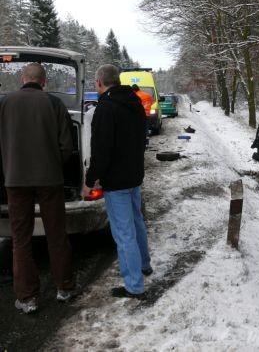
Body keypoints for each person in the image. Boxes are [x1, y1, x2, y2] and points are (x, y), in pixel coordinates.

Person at [0, 63, 75, 314]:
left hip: (15, 180)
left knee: (20, 240)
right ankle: (64, 287)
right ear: (44, 82)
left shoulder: (5, 104)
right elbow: (67, 145)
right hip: (50, 179)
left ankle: (27, 297)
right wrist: (52, 163)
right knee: (56, 234)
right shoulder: (54, 104)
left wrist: (9, 166)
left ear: (23, 79)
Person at [82, 64, 152, 299]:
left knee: (124, 233)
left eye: (95, 81)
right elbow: (143, 138)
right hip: (134, 176)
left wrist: (90, 180)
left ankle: (134, 285)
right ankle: (144, 264)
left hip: (117, 181)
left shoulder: (105, 108)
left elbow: (101, 150)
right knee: (137, 221)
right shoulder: (134, 102)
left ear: (100, 82)